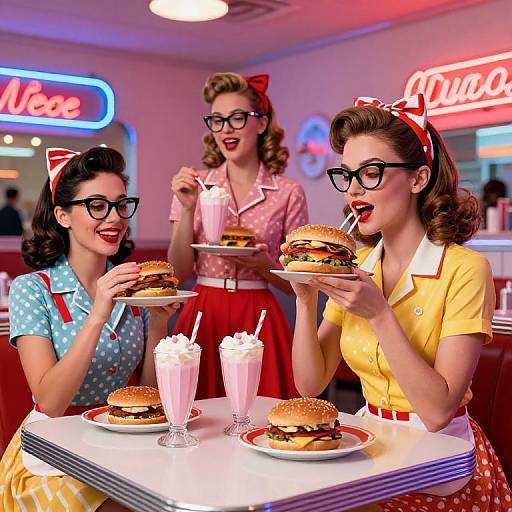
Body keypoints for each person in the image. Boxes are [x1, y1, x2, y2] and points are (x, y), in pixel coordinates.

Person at [286, 95, 512, 509]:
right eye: (347, 175)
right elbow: (310, 383)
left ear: (418, 178)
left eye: (371, 173)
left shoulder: (466, 270)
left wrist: (379, 313)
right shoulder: (356, 267)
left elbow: (438, 410)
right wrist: (306, 297)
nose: (354, 189)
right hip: (370, 453)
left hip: (440, 463)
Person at [0, 147, 179, 512]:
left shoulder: (135, 288)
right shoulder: (32, 289)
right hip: (52, 452)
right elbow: (49, 401)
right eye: (97, 205)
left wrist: (158, 323)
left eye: (120, 204)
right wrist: (98, 312)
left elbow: (146, 395)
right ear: (63, 215)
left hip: (123, 440)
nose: (114, 218)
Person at [169, 73, 308, 399]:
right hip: (203, 310)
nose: (226, 129)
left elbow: (295, 285)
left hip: (258, 313)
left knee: (261, 417)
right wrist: (188, 209)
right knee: (195, 415)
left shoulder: (289, 192)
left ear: (260, 124)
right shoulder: (195, 184)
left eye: (237, 118)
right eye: (217, 120)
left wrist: (262, 264)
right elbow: (178, 272)